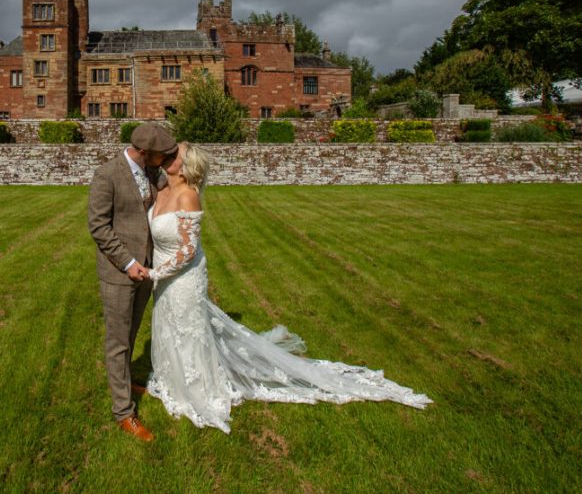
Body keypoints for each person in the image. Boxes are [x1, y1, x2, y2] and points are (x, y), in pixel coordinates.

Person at [146, 142, 433, 433]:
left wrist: (153, 273)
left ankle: (197, 387)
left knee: (188, 326)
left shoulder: (188, 196)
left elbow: (187, 251)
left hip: (183, 276)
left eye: (174, 154)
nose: (167, 155)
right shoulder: (162, 188)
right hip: (164, 275)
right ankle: (172, 377)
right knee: (170, 323)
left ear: (186, 166)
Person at [87, 123, 178, 442]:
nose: (164, 159)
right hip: (119, 273)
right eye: (160, 155)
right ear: (142, 152)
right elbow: (98, 227)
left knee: (131, 333)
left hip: (147, 270)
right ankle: (123, 412)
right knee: (118, 341)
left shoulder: (153, 173)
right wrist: (128, 263)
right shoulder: (107, 175)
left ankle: (124, 383)